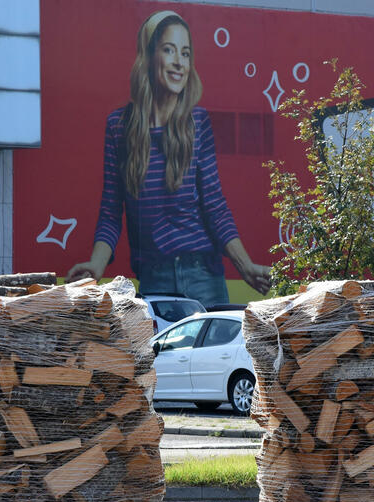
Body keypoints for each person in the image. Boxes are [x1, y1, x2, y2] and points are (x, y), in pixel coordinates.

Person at [67, 10, 270, 306]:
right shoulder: (119, 127)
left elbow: (214, 206)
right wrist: (96, 266)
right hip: (155, 279)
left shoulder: (197, 122)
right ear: (149, 56)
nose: (179, 62)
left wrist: (245, 266)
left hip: (204, 276)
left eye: (185, 53)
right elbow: (111, 212)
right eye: (169, 50)